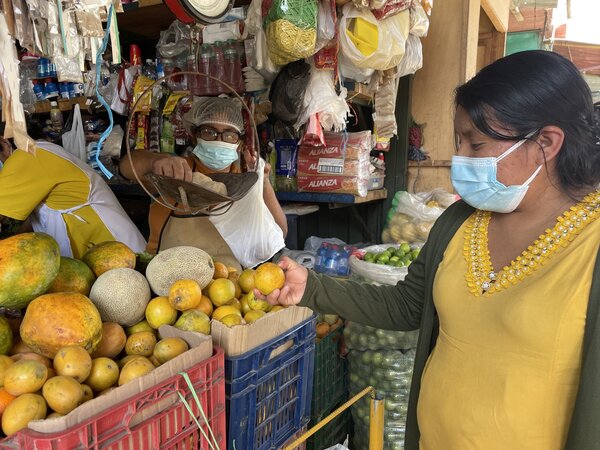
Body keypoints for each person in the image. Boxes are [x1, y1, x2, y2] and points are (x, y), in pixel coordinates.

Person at [257, 51, 600, 450]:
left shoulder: (589, 244)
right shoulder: (460, 222)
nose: (461, 159)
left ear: (546, 142)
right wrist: (312, 288)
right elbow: (407, 305)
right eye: (459, 141)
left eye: (477, 144)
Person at [119, 96, 287, 269]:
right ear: (194, 136)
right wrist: (154, 162)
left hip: (229, 287)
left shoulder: (243, 185)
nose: (219, 140)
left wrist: (263, 182)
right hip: (167, 280)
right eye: (209, 132)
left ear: (239, 143)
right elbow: (126, 167)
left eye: (229, 135)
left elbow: (279, 234)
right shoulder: (173, 172)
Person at [0, 133, 147, 258]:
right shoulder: (39, 150)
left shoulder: (27, 157)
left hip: (115, 255)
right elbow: (37, 215)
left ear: (4, 142)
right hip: (105, 256)